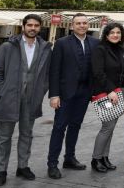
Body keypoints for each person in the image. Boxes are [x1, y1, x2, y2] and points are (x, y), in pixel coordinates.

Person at [0, 14, 52, 186]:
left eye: (36, 25)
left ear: (40, 27)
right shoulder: (8, 47)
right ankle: (1, 170)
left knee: (27, 134)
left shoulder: (45, 48)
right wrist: (2, 93)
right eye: (29, 25)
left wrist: (41, 92)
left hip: (31, 100)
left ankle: (22, 166)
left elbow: (47, 75)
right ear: (23, 26)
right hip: (9, 99)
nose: (33, 28)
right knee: (4, 137)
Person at [47, 13, 98, 178]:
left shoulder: (94, 43)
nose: (82, 26)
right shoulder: (62, 43)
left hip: (84, 93)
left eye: (84, 23)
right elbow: (54, 70)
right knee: (59, 127)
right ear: (72, 26)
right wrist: (54, 95)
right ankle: (52, 164)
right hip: (65, 93)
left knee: (75, 126)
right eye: (78, 23)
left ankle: (69, 158)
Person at [90, 23, 124, 173]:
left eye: (118, 32)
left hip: (119, 93)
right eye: (112, 32)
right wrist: (110, 90)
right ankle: (96, 158)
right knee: (107, 127)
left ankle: (104, 157)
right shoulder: (100, 49)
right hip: (107, 93)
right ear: (106, 35)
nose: (115, 35)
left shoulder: (120, 49)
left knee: (111, 127)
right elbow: (98, 72)